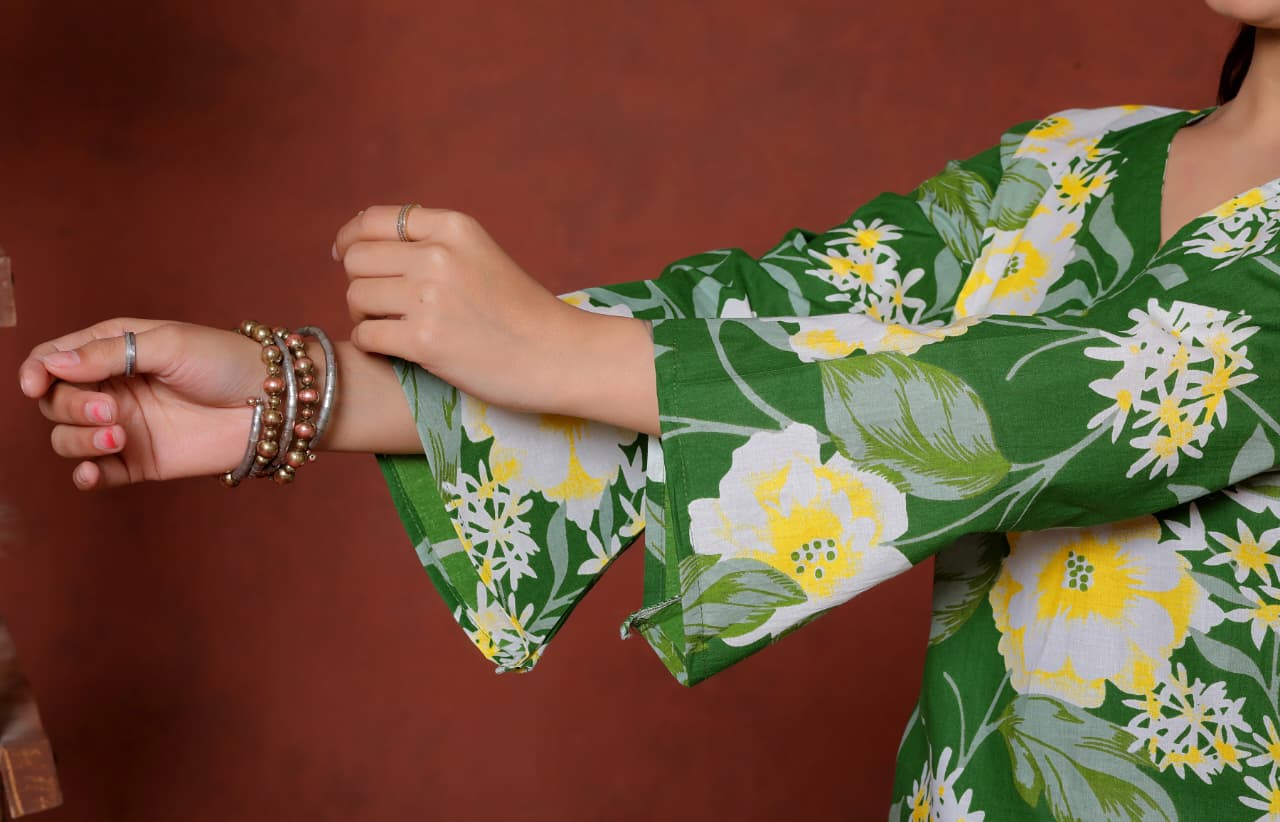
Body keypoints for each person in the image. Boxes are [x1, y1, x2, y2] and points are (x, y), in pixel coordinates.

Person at [19, 2, 1280, 817]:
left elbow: (1066, 396)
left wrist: (551, 346)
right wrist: (303, 392)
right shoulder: (1066, 163)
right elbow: (774, 325)